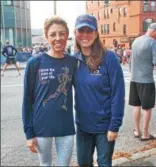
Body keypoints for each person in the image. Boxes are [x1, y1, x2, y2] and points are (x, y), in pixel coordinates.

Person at [22, 16, 77, 166]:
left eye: (62, 33)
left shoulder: (73, 62)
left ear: (67, 35)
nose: (58, 38)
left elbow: (85, 89)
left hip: (66, 126)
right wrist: (29, 133)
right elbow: (27, 100)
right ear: (46, 37)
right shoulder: (35, 62)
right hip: (41, 127)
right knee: (45, 164)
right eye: (53, 34)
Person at [73, 14, 125, 167]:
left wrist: (114, 125)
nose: (85, 35)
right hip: (83, 126)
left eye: (89, 30)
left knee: (104, 163)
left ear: (96, 34)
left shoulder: (109, 58)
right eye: (80, 30)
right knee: (83, 163)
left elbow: (118, 93)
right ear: (75, 33)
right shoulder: (73, 60)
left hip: (104, 126)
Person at [129, 23, 156, 141]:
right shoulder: (152, 42)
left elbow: (130, 61)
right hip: (146, 80)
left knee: (136, 106)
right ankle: (145, 134)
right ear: (154, 31)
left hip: (134, 79)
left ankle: (137, 131)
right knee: (147, 108)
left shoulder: (136, 41)